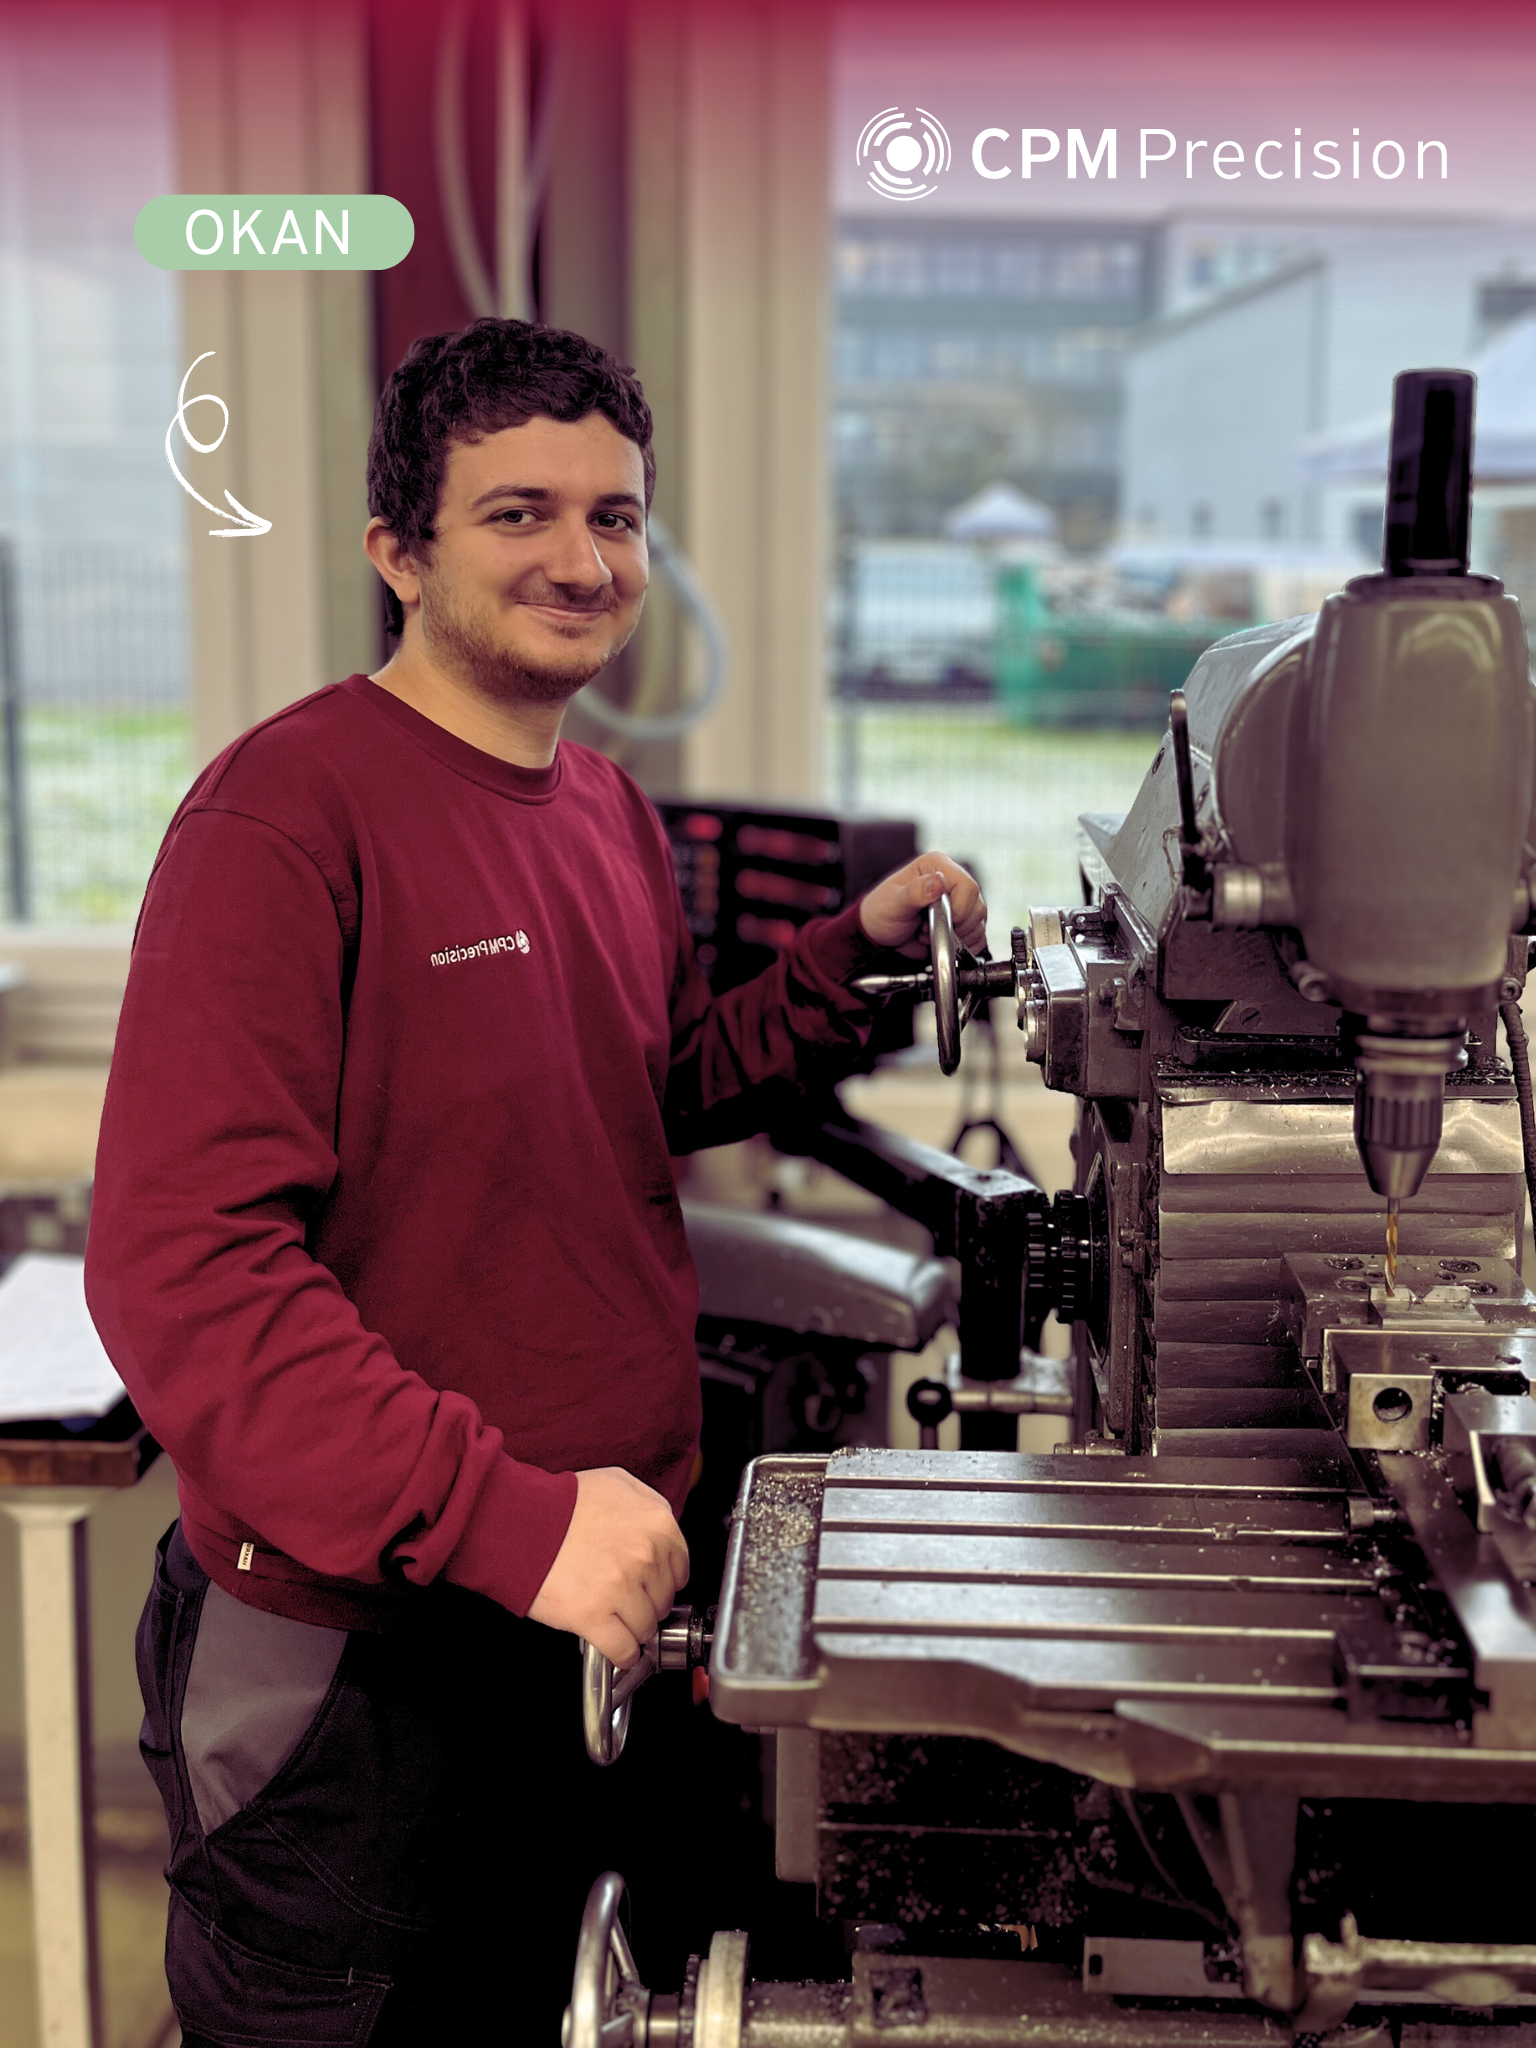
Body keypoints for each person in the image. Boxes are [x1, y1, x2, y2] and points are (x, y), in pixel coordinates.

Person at [85, 317, 986, 2045]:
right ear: (398, 553)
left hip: (577, 1608)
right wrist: (515, 1522)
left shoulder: (600, 813)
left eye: (619, 518)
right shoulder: (285, 817)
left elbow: (627, 1090)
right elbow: (185, 1269)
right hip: (360, 1652)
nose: (584, 563)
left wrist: (833, 976)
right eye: (519, 515)